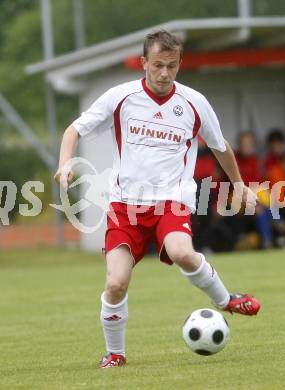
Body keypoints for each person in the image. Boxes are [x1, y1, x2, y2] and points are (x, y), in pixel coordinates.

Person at [54, 30, 260, 369]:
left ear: (180, 64)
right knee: (116, 283)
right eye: (158, 65)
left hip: (171, 201)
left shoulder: (194, 103)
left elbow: (220, 146)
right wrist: (64, 164)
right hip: (125, 206)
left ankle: (225, 300)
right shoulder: (121, 97)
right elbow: (74, 129)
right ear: (143, 63)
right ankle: (115, 353)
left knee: (182, 251)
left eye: (172, 66)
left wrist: (238, 185)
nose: (164, 73)